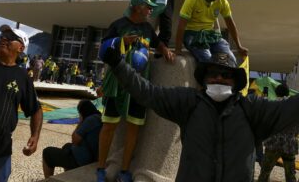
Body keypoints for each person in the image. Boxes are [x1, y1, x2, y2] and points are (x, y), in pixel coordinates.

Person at [100, 46, 299, 182]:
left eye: (226, 75)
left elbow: (292, 109)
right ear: (204, 79)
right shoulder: (188, 103)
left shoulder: (252, 108)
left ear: (236, 82)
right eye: (213, 74)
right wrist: (119, 65)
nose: (219, 78)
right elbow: (148, 93)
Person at [97, 0, 175, 182]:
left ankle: (124, 170)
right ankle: (101, 168)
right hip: (118, 83)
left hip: (140, 85)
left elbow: (157, 43)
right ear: (137, 7)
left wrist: (164, 50)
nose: (150, 10)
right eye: (148, 7)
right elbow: (103, 50)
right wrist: (122, 41)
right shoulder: (117, 25)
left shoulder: (148, 28)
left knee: (134, 127)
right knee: (109, 126)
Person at [0, 24, 43, 182]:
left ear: (21, 47)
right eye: (2, 36)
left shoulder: (22, 77)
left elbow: (35, 109)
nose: (3, 39)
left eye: (10, 38)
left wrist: (35, 135)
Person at [175, 0, 248, 62]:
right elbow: (181, 25)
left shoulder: (222, 1)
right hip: (193, 35)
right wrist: (178, 49)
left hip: (210, 35)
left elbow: (230, 24)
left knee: (229, 60)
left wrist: (239, 46)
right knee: (208, 61)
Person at [42, 100, 102, 178]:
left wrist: (80, 122)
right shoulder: (98, 117)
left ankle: (47, 180)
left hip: (82, 160)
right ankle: (69, 177)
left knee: (47, 152)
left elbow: (75, 139)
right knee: (67, 146)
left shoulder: (90, 120)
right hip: (91, 156)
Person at [258, 84, 299, 182]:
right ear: (288, 93)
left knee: (265, 172)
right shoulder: (295, 106)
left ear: (276, 92)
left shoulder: (270, 104)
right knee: (290, 175)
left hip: (273, 143)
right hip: (289, 144)